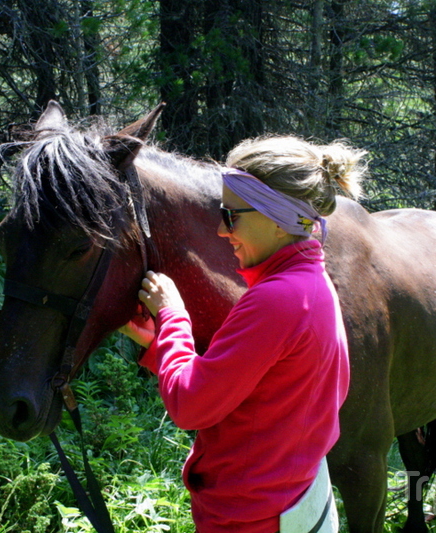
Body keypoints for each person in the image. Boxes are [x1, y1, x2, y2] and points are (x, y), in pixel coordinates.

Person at [120, 136, 367, 533]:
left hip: (251, 517)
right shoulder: (310, 284)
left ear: (277, 218)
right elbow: (261, 391)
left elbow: (191, 405)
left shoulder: (276, 299)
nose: (222, 230)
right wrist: (159, 344)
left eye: (232, 216)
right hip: (291, 502)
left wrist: (172, 316)